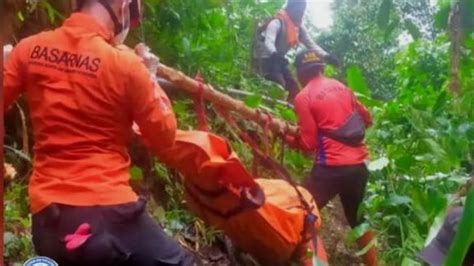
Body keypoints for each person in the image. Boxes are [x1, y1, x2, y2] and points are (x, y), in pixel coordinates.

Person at [3, 0, 194, 265]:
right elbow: (164, 134)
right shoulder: (126, 65)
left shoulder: (29, 49)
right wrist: (149, 78)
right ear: (123, 6)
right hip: (110, 214)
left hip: (48, 222)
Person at [285, 49, 377, 265]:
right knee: (358, 219)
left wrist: (288, 138)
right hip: (360, 165)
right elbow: (367, 119)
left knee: (304, 213)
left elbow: (309, 144)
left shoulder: (303, 97)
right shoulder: (343, 88)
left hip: (331, 168)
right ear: (322, 68)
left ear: (299, 73)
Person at [252, 0, 338, 102]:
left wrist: (326, 56)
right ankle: (269, 107)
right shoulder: (277, 22)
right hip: (265, 57)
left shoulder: (298, 28)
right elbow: (268, 42)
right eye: (299, 10)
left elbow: (310, 44)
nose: (301, 13)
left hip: (279, 59)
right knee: (279, 84)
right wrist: (275, 54)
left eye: (302, 10)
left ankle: (290, 109)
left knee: (294, 88)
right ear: (290, 9)